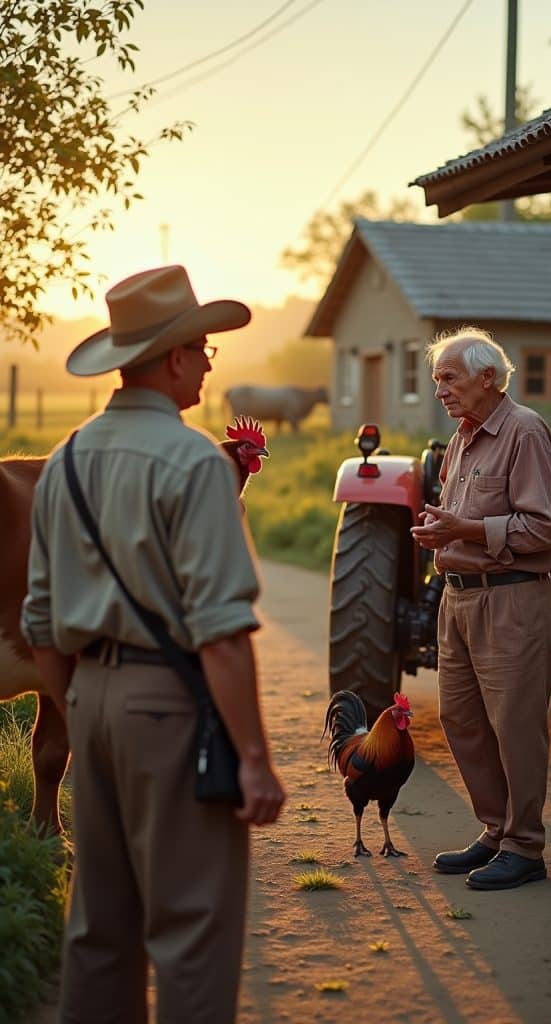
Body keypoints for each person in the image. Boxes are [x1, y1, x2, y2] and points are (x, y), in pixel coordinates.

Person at [20, 264, 286, 1023]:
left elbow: (41, 621)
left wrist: (78, 707)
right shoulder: (196, 462)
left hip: (89, 703)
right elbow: (221, 636)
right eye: (201, 349)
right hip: (170, 709)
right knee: (192, 926)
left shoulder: (67, 458)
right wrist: (254, 758)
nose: (207, 363)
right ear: (172, 358)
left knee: (99, 927)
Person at [411, 326, 551, 891]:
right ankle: (497, 830)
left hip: (512, 600)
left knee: (515, 727)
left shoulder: (525, 431)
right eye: (436, 380)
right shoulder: (461, 438)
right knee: (461, 719)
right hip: (457, 599)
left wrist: (466, 529)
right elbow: (462, 520)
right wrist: (443, 533)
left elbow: (546, 529)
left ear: (488, 378)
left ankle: (525, 846)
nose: (440, 391)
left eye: (449, 379)